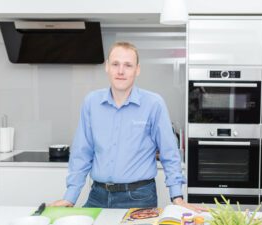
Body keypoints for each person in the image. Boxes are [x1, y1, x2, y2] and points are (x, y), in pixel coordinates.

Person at [50, 42, 204, 211]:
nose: (121, 71)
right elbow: (82, 152)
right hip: (97, 195)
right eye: (115, 64)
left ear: (137, 70)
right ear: (107, 66)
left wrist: (177, 197)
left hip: (139, 197)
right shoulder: (91, 102)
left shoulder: (154, 103)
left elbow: (169, 153)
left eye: (128, 65)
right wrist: (70, 197)